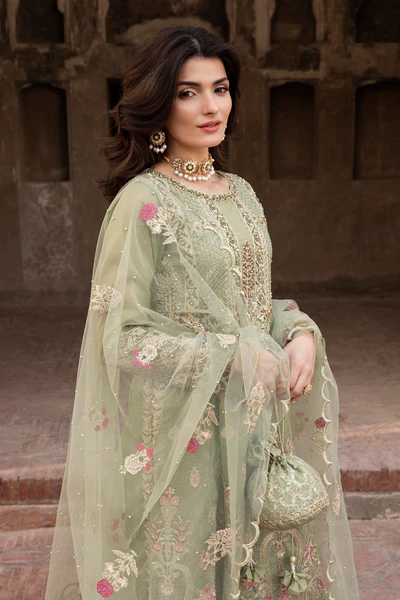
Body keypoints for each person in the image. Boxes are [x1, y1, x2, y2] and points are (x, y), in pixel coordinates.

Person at [45, 25, 359, 600]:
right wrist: (228, 355)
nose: (211, 106)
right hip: (183, 444)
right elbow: (120, 336)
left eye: (220, 88)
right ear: (159, 105)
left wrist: (298, 332)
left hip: (257, 432)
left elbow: (251, 305)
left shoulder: (241, 193)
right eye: (189, 93)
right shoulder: (142, 202)